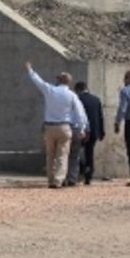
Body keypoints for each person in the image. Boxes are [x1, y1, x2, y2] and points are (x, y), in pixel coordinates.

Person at [24, 61, 88, 189]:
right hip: (64, 127)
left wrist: (30, 71)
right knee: (62, 155)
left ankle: (50, 178)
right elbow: (80, 113)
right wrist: (81, 128)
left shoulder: (50, 90)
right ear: (68, 82)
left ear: (59, 80)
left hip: (49, 126)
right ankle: (58, 180)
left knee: (50, 155)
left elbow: (38, 82)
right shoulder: (71, 95)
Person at [72, 81, 105, 185]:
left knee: (76, 152)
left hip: (82, 130)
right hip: (94, 131)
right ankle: (88, 175)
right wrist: (102, 132)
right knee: (89, 152)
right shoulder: (96, 99)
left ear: (77, 90)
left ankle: (81, 170)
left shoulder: (78, 100)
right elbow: (100, 117)